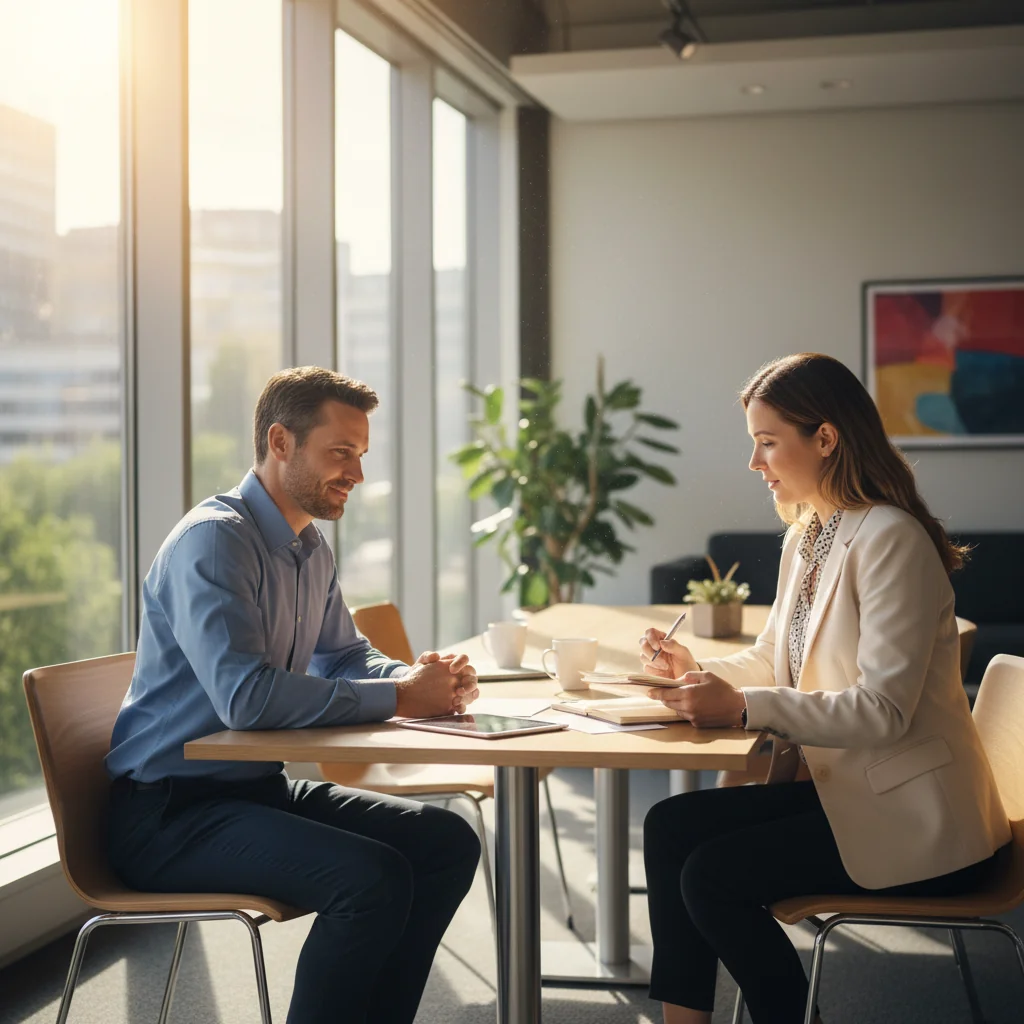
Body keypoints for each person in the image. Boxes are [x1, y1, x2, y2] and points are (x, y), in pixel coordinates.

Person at [639, 353, 1011, 1024]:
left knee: (709, 876)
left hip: (920, 825)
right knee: (670, 826)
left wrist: (744, 707)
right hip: (853, 795)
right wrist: (700, 672)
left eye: (768, 442)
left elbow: (886, 710)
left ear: (826, 439)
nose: (755, 463)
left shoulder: (891, 539)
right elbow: (776, 660)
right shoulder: (810, 535)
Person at [106, 366, 482, 1024]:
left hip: (252, 792)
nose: (357, 475)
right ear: (281, 443)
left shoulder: (308, 544)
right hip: (170, 817)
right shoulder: (215, 542)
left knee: (445, 842)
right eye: (341, 453)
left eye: (361, 456)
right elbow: (246, 701)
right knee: (372, 880)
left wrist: (414, 681)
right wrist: (401, 702)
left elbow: (343, 655)